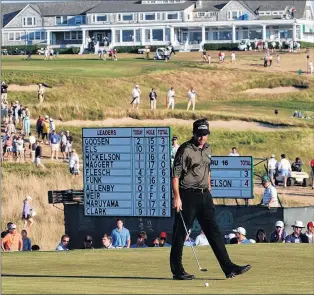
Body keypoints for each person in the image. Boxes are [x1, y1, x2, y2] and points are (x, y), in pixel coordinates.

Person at [170, 118, 251, 280]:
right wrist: (177, 197)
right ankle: (177, 270)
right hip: (188, 194)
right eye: (200, 135)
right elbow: (175, 175)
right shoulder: (185, 149)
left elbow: (207, 167)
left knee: (214, 231)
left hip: (204, 195)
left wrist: (208, 184)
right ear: (194, 133)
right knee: (181, 232)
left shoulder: (208, 148)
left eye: (205, 134)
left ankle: (229, 268)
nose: (202, 138)